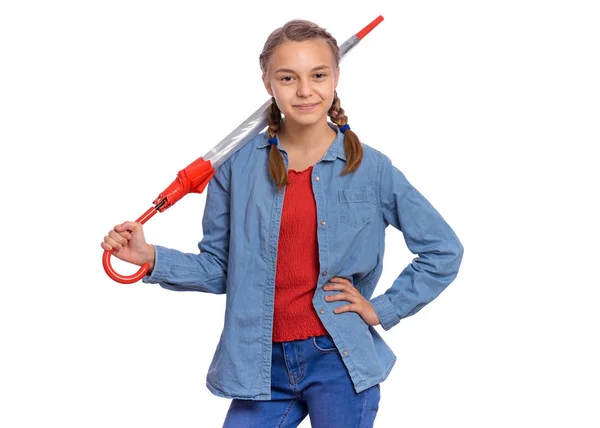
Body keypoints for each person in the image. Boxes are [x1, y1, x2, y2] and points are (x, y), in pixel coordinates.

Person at [101, 19, 464, 428]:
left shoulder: (372, 169)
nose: (305, 91)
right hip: (261, 364)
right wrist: (150, 257)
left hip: (339, 361)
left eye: (318, 75)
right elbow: (221, 269)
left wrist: (382, 309)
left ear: (336, 77)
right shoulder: (235, 168)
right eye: (288, 77)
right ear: (267, 83)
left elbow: (443, 250)